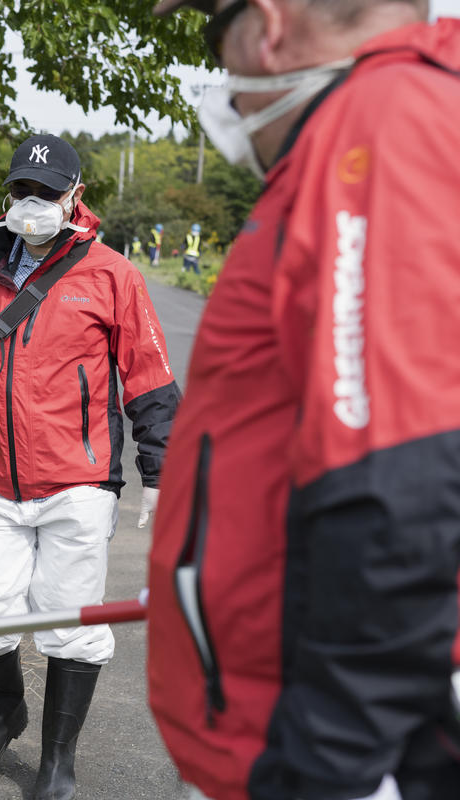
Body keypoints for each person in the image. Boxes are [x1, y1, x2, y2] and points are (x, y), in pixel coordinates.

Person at [146, 2, 460, 799]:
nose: (227, 75)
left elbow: (400, 485)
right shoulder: (392, 120)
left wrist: (327, 766)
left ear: (270, 25)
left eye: (217, 35)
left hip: (336, 748)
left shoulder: (379, 127)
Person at [0, 133, 181, 799]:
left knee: (70, 620)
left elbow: (150, 377)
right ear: (6, 194)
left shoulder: (111, 273)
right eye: (22, 189)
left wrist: (159, 471)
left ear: (75, 197)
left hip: (78, 479)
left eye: (47, 191)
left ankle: (57, 758)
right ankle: (3, 713)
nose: (33, 202)